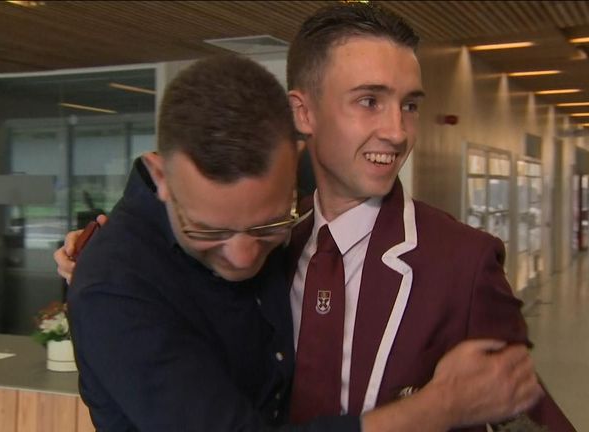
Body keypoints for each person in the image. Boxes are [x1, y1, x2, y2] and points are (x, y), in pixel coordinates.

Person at [59, 52, 542, 431]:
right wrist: (437, 409)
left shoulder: (459, 258)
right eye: (208, 231)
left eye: (271, 224)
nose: (244, 256)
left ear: (296, 161)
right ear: (161, 177)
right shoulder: (115, 285)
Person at [284, 4, 574, 430]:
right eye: (370, 101)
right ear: (304, 112)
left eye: (410, 106)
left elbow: (529, 413)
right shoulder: (272, 246)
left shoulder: (463, 262)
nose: (398, 132)